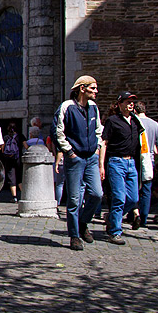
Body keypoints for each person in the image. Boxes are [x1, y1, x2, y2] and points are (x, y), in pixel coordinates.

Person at [54, 75, 103, 250]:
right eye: (93, 88)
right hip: (75, 158)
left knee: (97, 194)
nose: (96, 91)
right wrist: (70, 152)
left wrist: (97, 148)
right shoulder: (67, 107)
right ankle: (74, 235)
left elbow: (98, 129)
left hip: (91, 157)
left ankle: (83, 223)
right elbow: (58, 132)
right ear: (82, 89)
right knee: (74, 199)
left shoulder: (93, 108)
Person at [99, 91, 144, 244]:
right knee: (119, 197)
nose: (131, 104)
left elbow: (140, 145)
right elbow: (104, 143)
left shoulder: (135, 121)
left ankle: (112, 218)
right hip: (116, 162)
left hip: (131, 163)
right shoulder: (113, 121)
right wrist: (101, 166)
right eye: (127, 101)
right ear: (120, 104)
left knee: (133, 199)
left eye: (132, 102)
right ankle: (115, 232)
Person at [134, 100, 158, 227]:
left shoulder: (133, 122)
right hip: (149, 159)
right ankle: (144, 218)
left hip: (135, 159)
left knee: (133, 187)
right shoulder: (154, 124)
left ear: (135, 110)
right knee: (146, 189)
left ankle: (133, 214)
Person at [1, 121, 23, 202]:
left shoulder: (6, 137)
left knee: (11, 178)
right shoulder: (20, 136)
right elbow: (26, 146)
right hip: (18, 159)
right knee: (19, 177)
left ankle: (14, 197)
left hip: (9, 160)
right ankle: (23, 195)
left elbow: (3, 149)